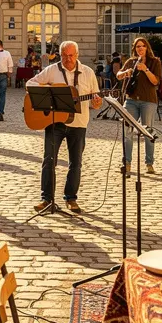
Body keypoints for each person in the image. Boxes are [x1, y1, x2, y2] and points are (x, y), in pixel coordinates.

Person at [27, 41, 103, 212]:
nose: (68, 59)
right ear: (60, 55)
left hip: (79, 123)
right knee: (49, 161)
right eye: (64, 56)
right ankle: (46, 198)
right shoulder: (52, 70)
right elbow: (30, 84)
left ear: (77, 54)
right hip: (54, 122)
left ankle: (71, 198)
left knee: (75, 163)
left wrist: (97, 103)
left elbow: (95, 101)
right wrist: (47, 92)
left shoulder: (88, 72)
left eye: (71, 55)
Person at [117, 37, 162, 174]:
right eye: (137, 46)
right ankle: (127, 162)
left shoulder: (155, 62)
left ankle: (149, 163)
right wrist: (125, 73)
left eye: (142, 46)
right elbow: (118, 75)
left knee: (148, 132)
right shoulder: (131, 61)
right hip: (131, 100)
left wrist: (145, 69)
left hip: (148, 101)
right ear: (134, 49)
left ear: (147, 48)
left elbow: (155, 82)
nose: (140, 48)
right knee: (127, 132)